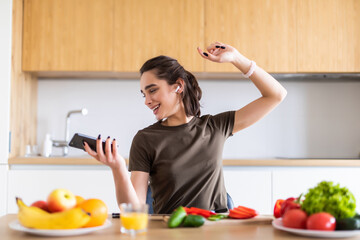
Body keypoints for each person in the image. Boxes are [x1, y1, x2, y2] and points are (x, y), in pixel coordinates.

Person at [84, 42, 287, 214]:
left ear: (178, 86)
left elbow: (276, 95)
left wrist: (237, 59)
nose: (147, 101)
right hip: (169, 231)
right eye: (143, 94)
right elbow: (134, 209)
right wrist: (118, 167)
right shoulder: (145, 139)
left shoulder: (215, 127)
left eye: (152, 90)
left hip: (217, 229)